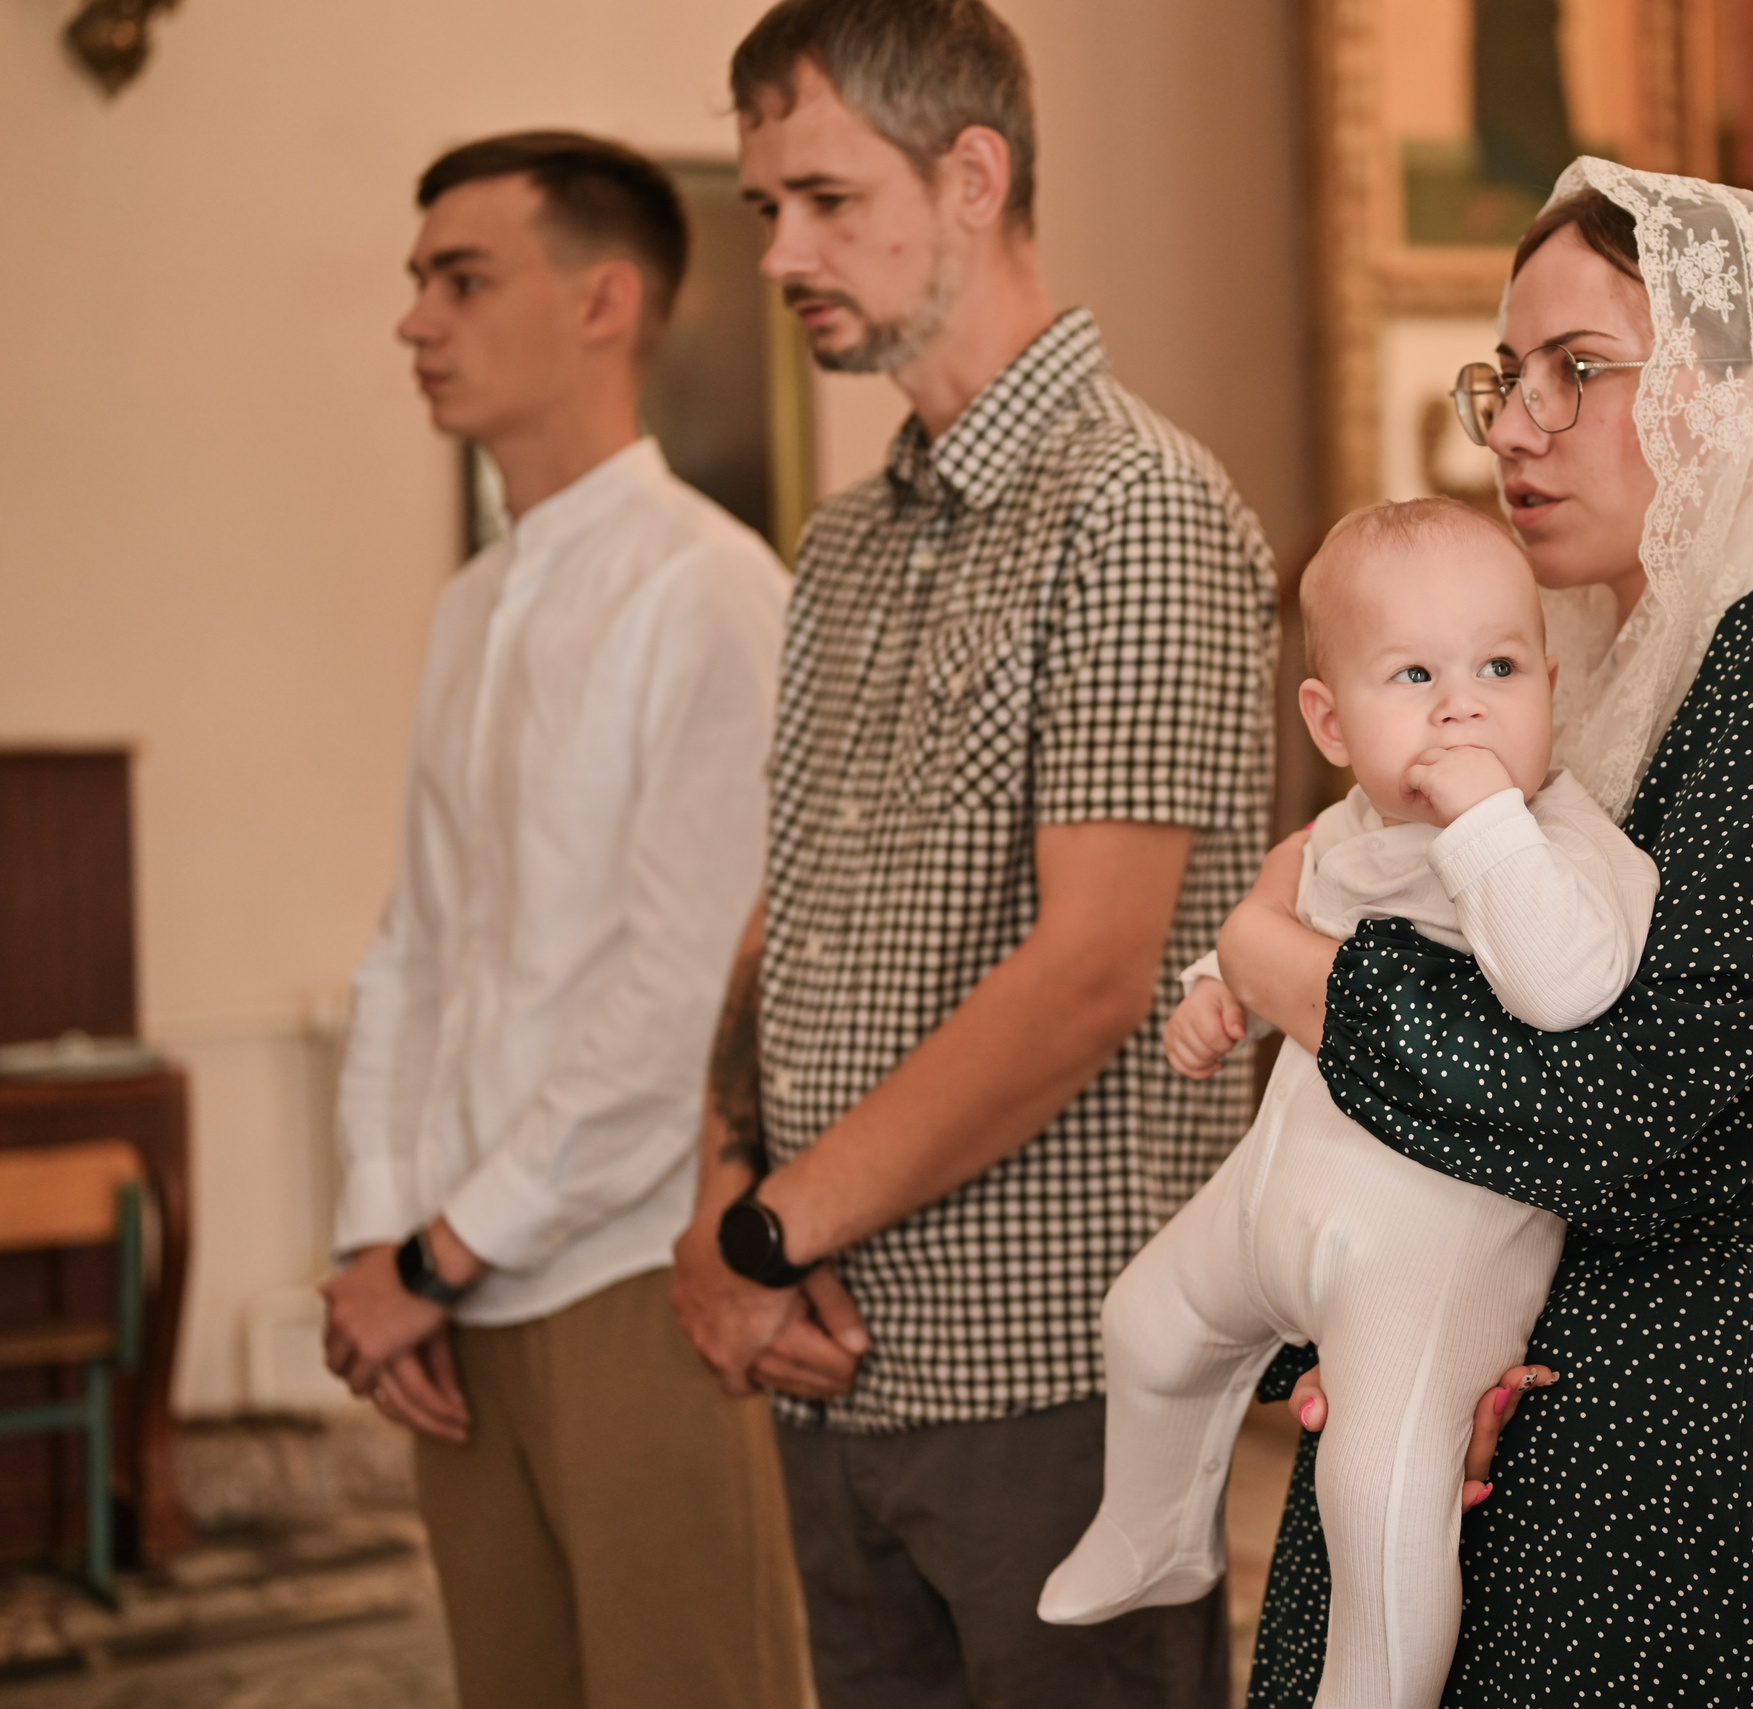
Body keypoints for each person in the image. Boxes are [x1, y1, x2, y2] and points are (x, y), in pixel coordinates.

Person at [1231, 159, 1753, 1708]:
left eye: (1579, 372)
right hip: (1460, 1385)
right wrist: (1353, 1331)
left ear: (1751, 404)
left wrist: (1287, 970)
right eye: (1509, 376)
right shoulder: (1554, 663)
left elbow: (1626, 1107)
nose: (1512, 424)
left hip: (1643, 1438)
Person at [663, 3, 1275, 1705]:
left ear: (974, 175)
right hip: (839, 1356)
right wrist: (725, 1190)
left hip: (1052, 1370)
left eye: (826, 198)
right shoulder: (847, 541)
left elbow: (1092, 973)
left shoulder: (1138, 507)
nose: (782, 249)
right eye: (760, 205)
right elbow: (792, 912)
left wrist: (766, 1233)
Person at [321, 132, 801, 1709]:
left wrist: (438, 1255)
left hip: (625, 1281)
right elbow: (417, 951)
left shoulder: (709, 593)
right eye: (416, 284)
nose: (417, 322)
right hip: (457, 1287)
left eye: (461, 280)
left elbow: (680, 1006)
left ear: (605, 301)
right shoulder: (474, 603)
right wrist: (379, 1235)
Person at [1040, 497, 1659, 1708]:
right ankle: (1155, 1530)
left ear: (1549, 683)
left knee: (1374, 1500)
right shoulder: (1341, 832)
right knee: (1143, 1324)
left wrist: (1484, 820)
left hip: (1421, 1263)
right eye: (1413, 674)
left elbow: (1564, 984)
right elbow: (1285, 932)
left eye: (1498, 665)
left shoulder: (1565, 839)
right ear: (1329, 720)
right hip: (1273, 1199)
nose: (1461, 706)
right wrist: (1218, 987)